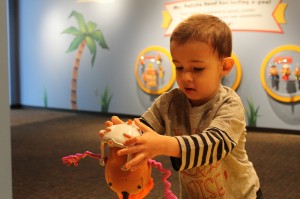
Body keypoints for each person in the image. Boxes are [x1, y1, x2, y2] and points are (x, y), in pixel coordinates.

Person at [104, 14, 262, 199]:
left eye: (197, 69)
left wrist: (165, 145)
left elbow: (214, 145)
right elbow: (143, 130)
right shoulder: (168, 102)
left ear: (224, 66)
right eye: (179, 67)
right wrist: (124, 135)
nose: (186, 77)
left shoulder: (229, 105)